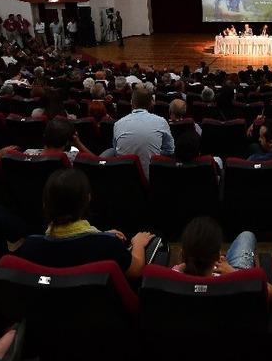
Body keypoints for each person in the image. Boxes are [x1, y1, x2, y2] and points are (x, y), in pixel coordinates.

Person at [13, 169, 155, 277]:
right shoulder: (108, 246)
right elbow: (136, 270)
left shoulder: (30, 247)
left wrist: (101, 235)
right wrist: (138, 244)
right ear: (88, 199)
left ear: (45, 204)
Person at [174, 217, 272, 300]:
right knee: (247, 236)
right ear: (218, 256)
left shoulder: (171, 280)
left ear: (182, 254)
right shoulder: (237, 284)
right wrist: (234, 273)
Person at [106, 87, 174, 178]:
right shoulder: (161, 122)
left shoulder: (118, 124)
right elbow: (170, 150)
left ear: (132, 102)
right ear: (151, 103)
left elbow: (116, 150)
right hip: (153, 177)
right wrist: (155, 153)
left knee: (111, 151)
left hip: (124, 178)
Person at [24, 118, 93, 163]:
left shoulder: (28, 154)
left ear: (44, 136)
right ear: (68, 142)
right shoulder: (72, 158)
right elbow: (95, 162)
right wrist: (78, 143)